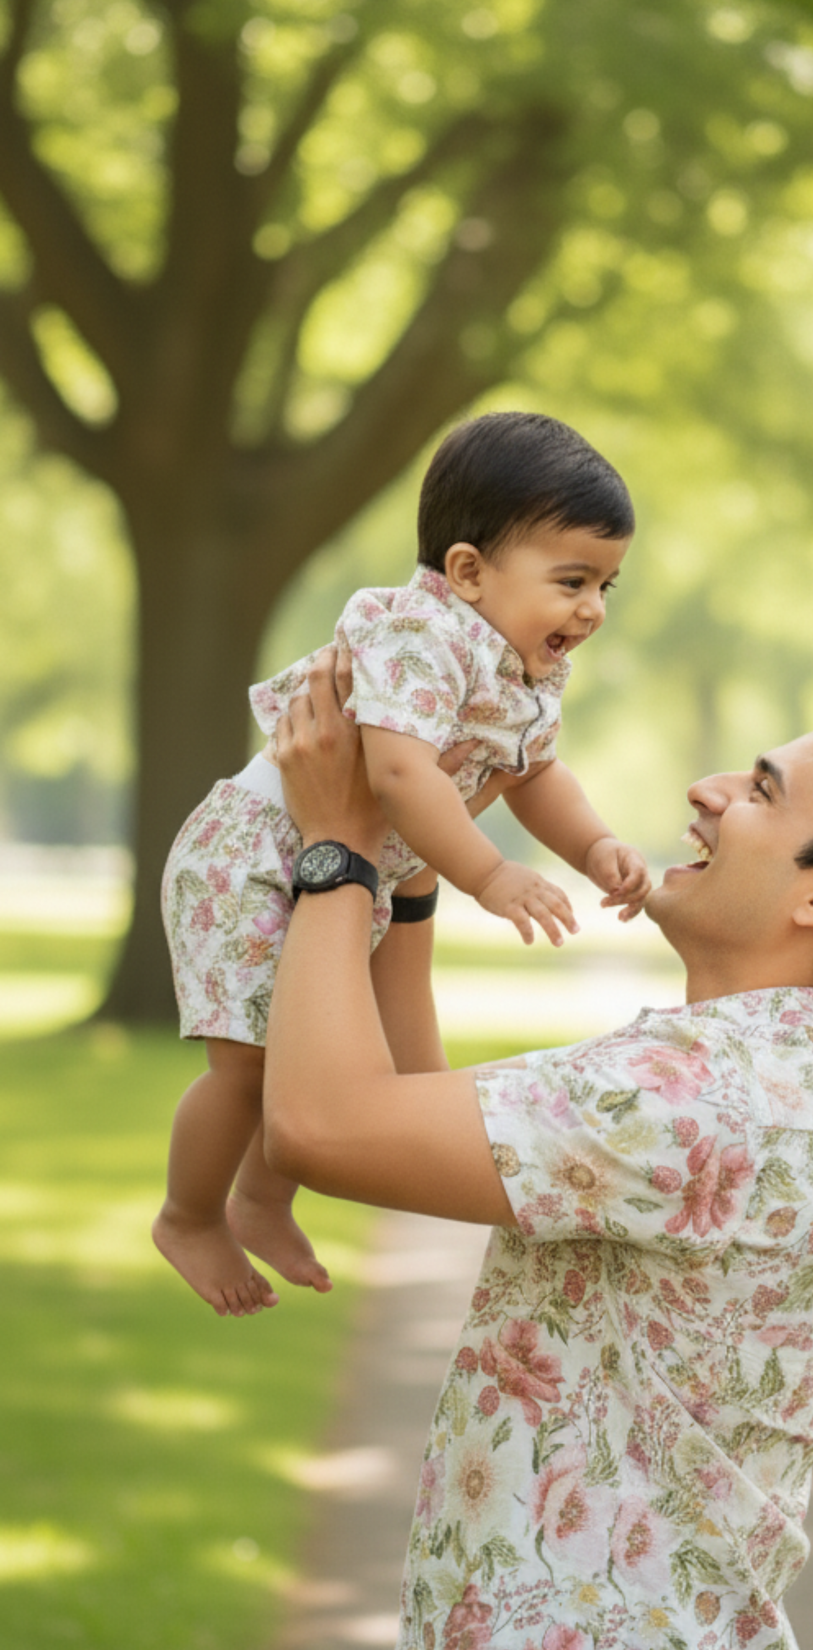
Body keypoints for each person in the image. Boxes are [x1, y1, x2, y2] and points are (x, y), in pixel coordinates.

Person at [261, 659, 813, 1650]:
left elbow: (323, 1127)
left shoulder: (691, 1097)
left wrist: (337, 849)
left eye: (757, 793)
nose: (704, 793)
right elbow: (410, 1115)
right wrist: (409, 875)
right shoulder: (805, 1071)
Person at [155, 412, 650, 1318]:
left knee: (302, 1057)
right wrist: (490, 875)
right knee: (244, 1069)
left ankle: (261, 1201)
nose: (593, 610)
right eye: (572, 580)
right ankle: (188, 1215)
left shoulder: (521, 668)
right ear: (467, 572)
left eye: (607, 584)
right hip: (253, 856)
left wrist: (594, 845)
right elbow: (396, 770)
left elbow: (536, 773)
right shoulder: (418, 636)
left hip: (346, 868)